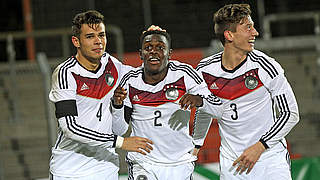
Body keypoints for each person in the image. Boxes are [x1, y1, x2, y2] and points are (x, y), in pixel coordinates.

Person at [196, 4, 300, 180]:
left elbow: (290, 113)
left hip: (270, 159)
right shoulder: (205, 71)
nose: (255, 33)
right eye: (248, 28)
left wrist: (260, 146)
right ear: (229, 35)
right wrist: (196, 145)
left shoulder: (266, 66)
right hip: (233, 164)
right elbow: (205, 109)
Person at [48, 10, 153, 180]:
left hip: (106, 169)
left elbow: (119, 129)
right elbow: (70, 128)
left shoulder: (113, 65)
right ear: (76, 41)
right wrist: (121, 142)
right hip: (70, 171)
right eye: (90, 36)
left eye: (101, 35)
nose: (98, 41)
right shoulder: (66, 73)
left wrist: (153, 39)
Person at [111, 25, 223, 180]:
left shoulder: (184, 73)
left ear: (169, 54)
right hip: (143, 163)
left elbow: (219, 109)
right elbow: (119, 129)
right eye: (148, 47)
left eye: (160, 47)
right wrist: (117, 106)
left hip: (179, 164)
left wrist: (199, 100)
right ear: (141, 54)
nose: (153, 51)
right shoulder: (130, 80)